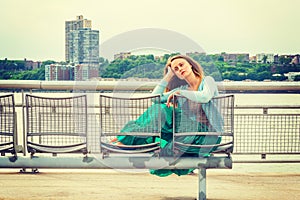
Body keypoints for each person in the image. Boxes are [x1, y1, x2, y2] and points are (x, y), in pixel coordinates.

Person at [115, 54, 221, 177]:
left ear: (190, 65)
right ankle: (126, 139)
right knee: (160, 108)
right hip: (188, 133)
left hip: (208, 135)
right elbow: (156, 98)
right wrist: (168, 75)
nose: (180, 69)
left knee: (167, 113)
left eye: (182, 65)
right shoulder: (182, 88)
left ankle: (126, 140)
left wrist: (181, 93)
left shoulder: (207, 81)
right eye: (176, 69)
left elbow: (205, 96)